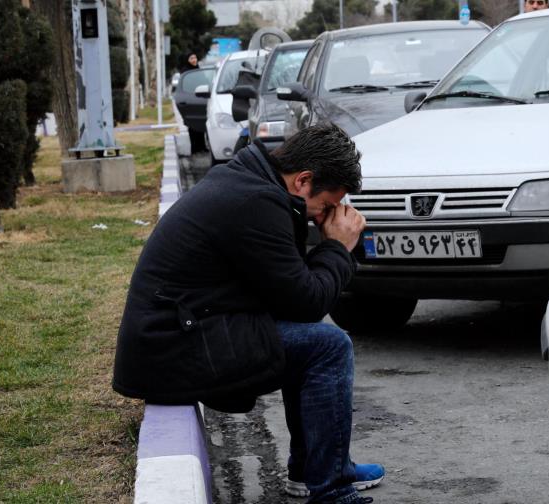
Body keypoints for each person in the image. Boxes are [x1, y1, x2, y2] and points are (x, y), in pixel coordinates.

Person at [113, 124, 382, 504]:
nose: (323, 217)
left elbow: (290, 294)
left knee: (307, 340)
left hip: (179, 334)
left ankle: (316, 468)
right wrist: (337, 247)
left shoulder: (253, 184)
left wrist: (328, 247)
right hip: (172, 349)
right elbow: (306, 301)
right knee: (328, 346)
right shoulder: (256, 202)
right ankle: (333, 489)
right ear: (304, 180)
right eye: (325, 206)